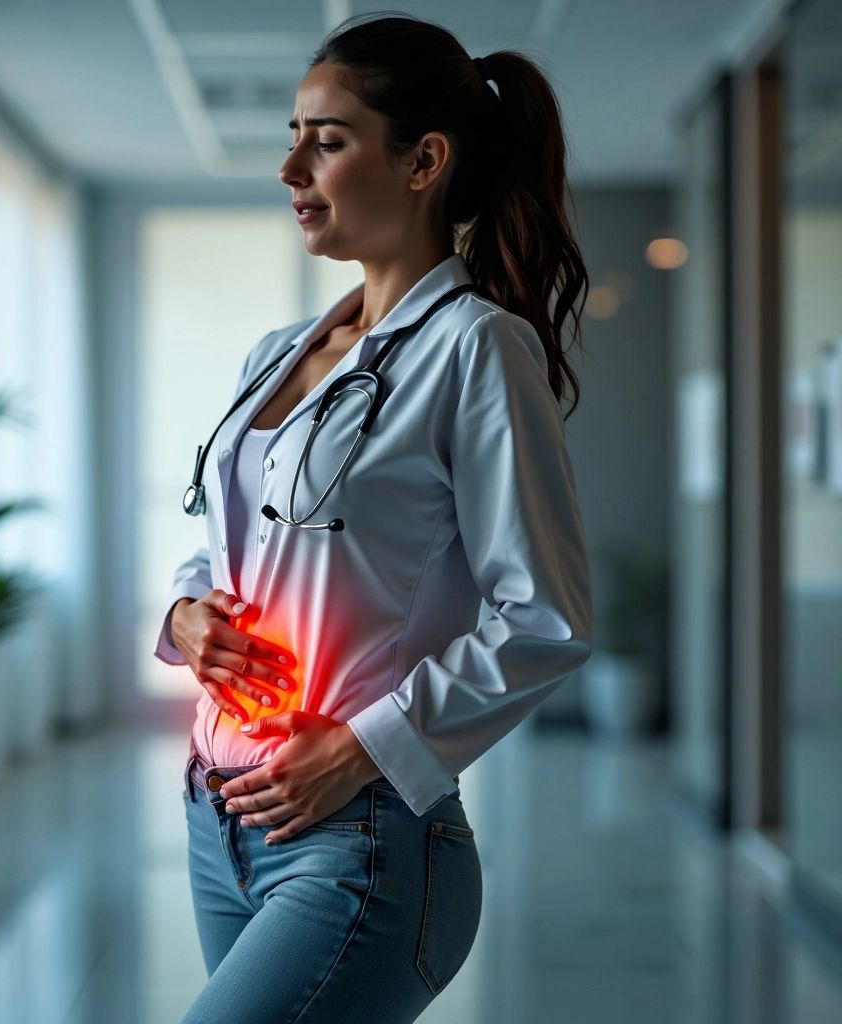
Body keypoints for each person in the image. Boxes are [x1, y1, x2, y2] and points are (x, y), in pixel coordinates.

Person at [154, 12, 593, 1023]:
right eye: (294, 133)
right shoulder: (274, 351)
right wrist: (186, 618)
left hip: (362, 839)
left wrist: (361, 745)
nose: (290, 166)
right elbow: (228, 540)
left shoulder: (477, 348)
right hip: (218, 822)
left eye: (329, 138)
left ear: (422, 161)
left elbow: (546, 620)